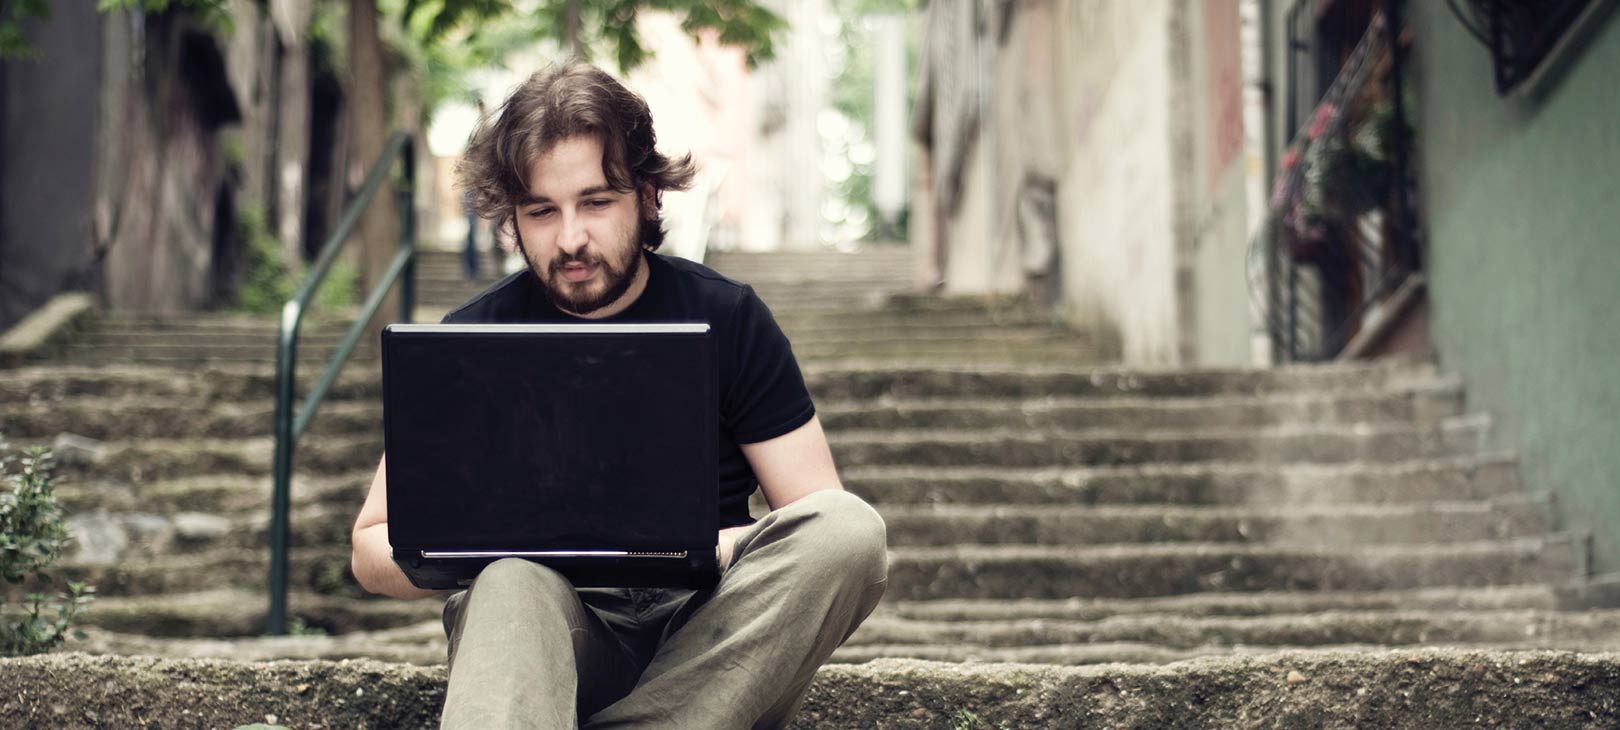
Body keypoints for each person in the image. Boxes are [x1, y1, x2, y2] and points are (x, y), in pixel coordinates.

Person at [348, 61, 889, 730]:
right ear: (513, 218)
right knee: (513, 582)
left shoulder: (730, 317)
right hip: (550, 641)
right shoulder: (473, 338)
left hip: (710, 637)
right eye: (542, 212)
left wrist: (701, 545)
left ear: (649, 196)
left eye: (596, 203)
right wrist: (496, 546)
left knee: (851, 530)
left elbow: (816, 522)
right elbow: (371, 546)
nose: (570, 238)